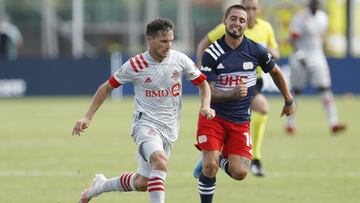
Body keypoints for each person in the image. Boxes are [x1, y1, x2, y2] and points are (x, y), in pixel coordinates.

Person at [72, 18, 215, 203]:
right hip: (144, 124)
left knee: (142, 183)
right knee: (160, 161)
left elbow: (203, 84)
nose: (169, 46)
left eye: (171, 40)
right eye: (164, 41)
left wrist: (205, 106)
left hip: (169, 128)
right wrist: (87, 116)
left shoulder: (179, 60)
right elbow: (106, 87)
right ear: (150, 40)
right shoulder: (136, 64)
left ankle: (100, 186)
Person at [194, 5, 295, 203]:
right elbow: (207, 94)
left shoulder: (256, 50)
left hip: (240, 120)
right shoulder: (212, 54)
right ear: (225, 21)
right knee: (210, 168)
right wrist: (232, 92)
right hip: (213, 117)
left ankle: (215, 157)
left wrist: (288, 99)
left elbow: (276, 72)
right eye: (233, 19)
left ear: (247, 24)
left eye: (242, 20)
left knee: (240, 173)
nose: (237, 24)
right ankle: (210, 162)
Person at [286, 0, 346, 135]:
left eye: (317, 2)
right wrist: (300, 55)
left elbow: (320, 38)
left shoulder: (323, 18)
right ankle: (290, 124)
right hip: (300, 57)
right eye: (313, 2)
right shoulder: (300, 18)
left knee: (324, 88)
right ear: (309, 4)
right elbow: (292, 39)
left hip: (317, 56)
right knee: (297, 90)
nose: (315, 5)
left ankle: (333, 123)